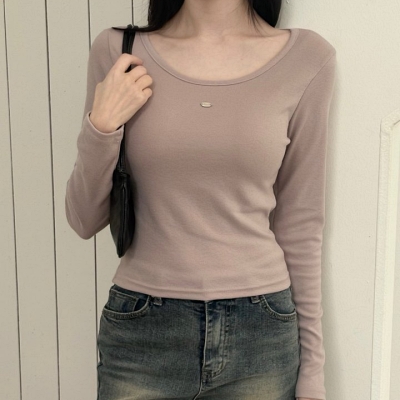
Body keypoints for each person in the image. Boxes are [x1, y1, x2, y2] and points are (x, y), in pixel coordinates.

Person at [65, 1, 336, 399]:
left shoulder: (307, 58)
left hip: (261, 336)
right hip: (141, 334)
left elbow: (301, 224)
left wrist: (312, 371)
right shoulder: (118, 51)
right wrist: (101, 127)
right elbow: (83, 219)